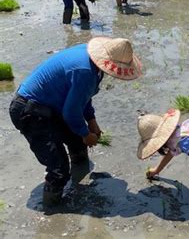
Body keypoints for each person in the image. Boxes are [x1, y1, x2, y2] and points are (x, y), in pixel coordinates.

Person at [9, 37, 142, 207]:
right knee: (59, 169)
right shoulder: (85, 71)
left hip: (51, 107)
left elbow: (81, 97)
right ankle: (53, 213)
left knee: (77, 144)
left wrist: (91, 120)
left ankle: (79, 180)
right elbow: (71, 112)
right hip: (29, 112)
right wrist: (86, 134)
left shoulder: (90, 61)